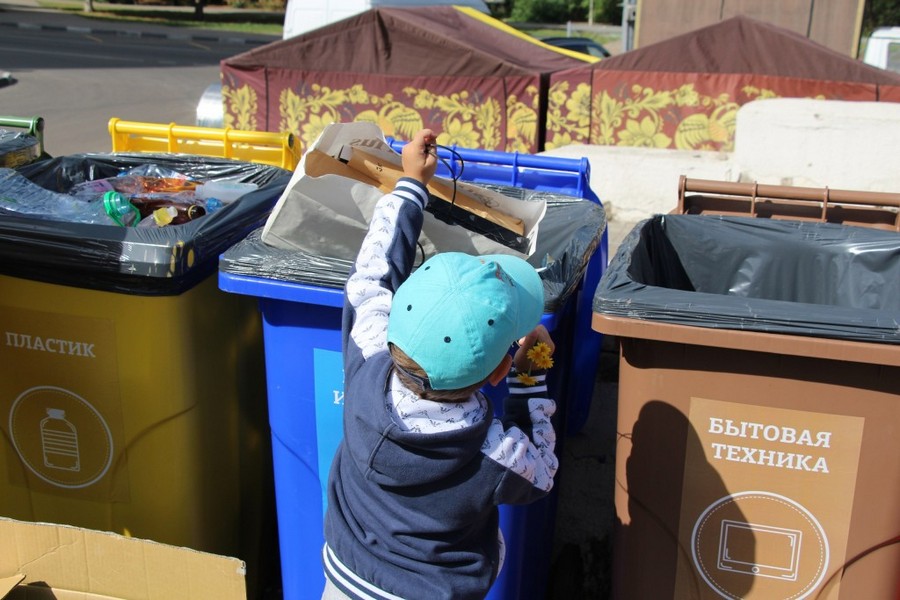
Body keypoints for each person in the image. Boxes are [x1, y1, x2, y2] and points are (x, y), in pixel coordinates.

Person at [322, 128, 558, 600]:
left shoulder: (366, 354)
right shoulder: (495, 453)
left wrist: (412, 183)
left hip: (345, 577)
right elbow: (543, 471)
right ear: (498, 373)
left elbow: (374, 269)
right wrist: (530, 376)